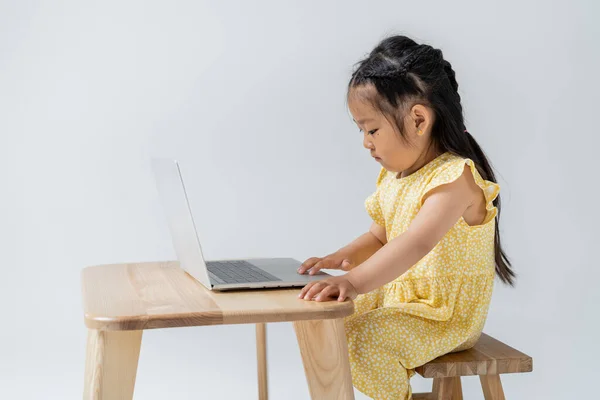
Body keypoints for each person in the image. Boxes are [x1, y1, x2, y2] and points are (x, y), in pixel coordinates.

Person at [297, 35, 515, 400]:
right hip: (401, 298)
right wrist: (338, 259)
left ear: (418, 119)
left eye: (372, 129)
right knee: (326, 321)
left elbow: (415, 242)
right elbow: (380, 237)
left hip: (443, 315)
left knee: (365, 340)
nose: (366, 142)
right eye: (361, 130)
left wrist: (352, 281)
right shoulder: (396, 178)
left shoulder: (455, 179)